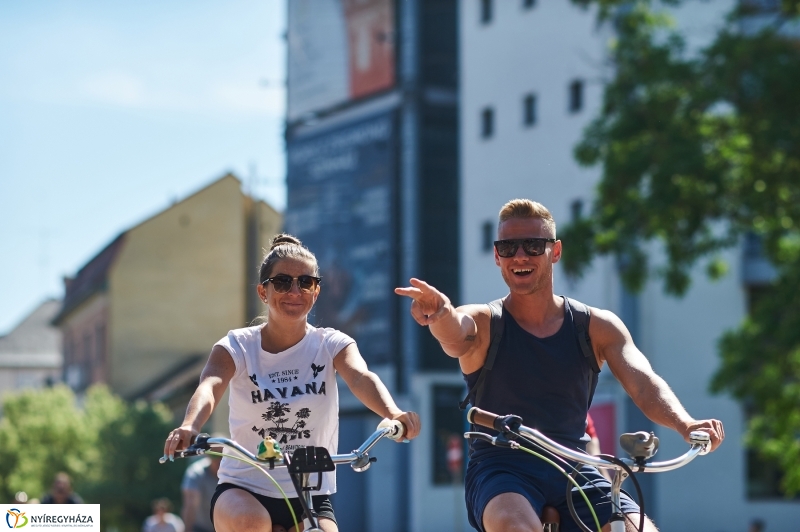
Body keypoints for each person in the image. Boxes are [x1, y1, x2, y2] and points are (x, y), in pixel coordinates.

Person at [395, 199, 724, 532]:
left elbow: (643, 383)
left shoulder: (596, 326)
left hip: (576, 467)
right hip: (502, 467)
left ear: (555, 251)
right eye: (507, 248)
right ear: (496, 256)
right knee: (513, 526)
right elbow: (455, 335)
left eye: (533, 245)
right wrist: (441, 314)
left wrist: (686, 424)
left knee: (637, 528)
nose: (519, 256)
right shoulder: (484, 321)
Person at [164, 234, 421, 532]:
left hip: (310, 491)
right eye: (283, 282)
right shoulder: (237, 346)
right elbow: (209, 386)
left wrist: (393, 413)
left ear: (316, 291)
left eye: (306, 282)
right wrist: (190, 425)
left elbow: (360, 376)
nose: (295, 291)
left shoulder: (332, 343)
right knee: (252, 523)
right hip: (244, 489)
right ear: (263, 291)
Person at [181, 453, 221, 532]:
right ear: (208, 455)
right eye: (215, 455)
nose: (218, 460)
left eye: (222, 456)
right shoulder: (196, 473)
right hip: (201, 528)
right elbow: (190, 504)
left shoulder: (234, 472)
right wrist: (187, 529)